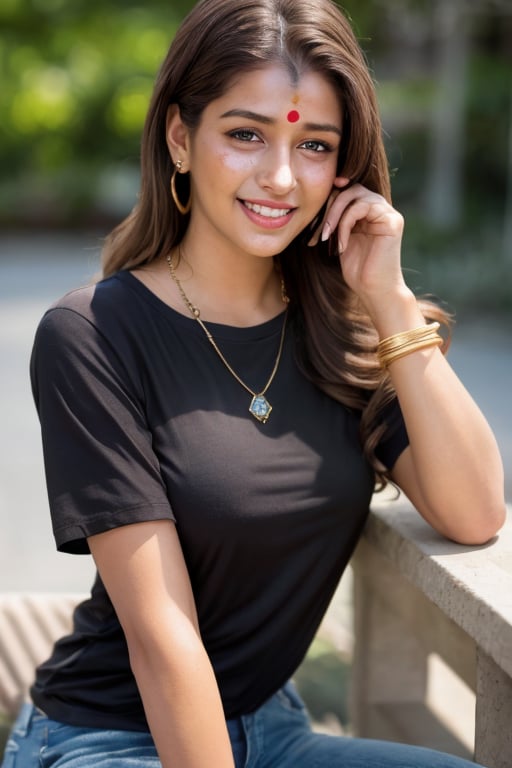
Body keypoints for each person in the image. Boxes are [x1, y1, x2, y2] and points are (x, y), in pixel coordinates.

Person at [2, 0, 505, 766]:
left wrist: (391, 301)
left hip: (272, 730)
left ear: (342, 169)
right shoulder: (94, 335)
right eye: (246, 134)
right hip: (113, 739)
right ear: (180, 137)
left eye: (313, 144)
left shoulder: (342, 334)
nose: (279, 176)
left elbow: (474, 512)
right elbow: (163, 640)